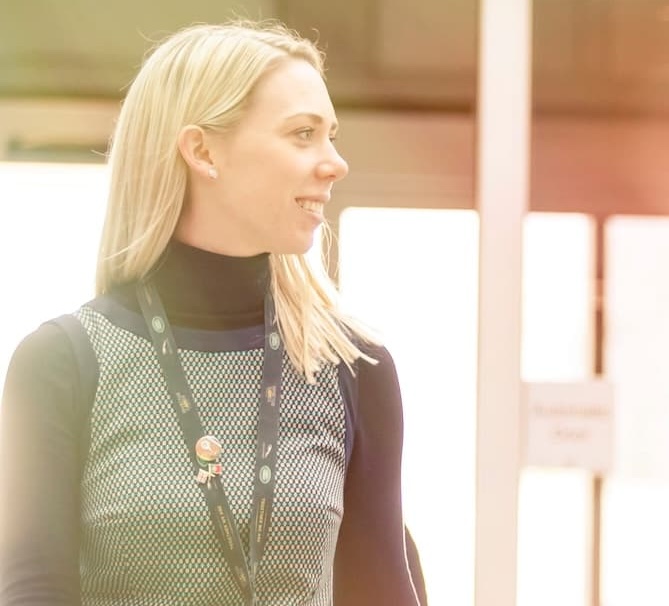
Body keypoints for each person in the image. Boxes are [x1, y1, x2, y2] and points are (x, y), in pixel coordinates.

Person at [1, 20, 426, 605]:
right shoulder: (62, 363)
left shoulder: (355, 367)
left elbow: (381, 592)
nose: (334, 162)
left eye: (332, 135)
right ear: (202, 150)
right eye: (303, 134)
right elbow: (34, 592)